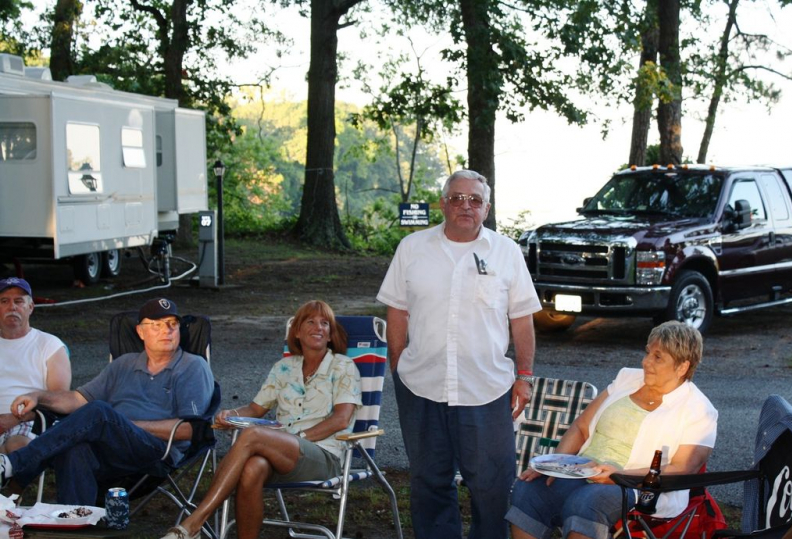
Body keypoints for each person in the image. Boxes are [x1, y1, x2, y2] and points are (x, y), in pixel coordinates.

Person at [377, 169, 542, 539]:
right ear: (443, 204)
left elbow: (522, 319)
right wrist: (398, 365)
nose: (465, 206)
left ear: (487, 208)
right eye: (457, 198)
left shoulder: (506, 252)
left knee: (491, 486)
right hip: (421, 386)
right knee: (429, 482)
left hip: (486, 389)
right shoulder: (412, 248)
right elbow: (397, 310)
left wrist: (525, 376)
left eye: (474, 200)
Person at [159, 300, 362, 539]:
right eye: (310, 321)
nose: (318, 327)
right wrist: (230, 415)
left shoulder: (343, 367)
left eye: (325, 323)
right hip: (282, 455)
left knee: (253, 435)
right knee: (252, 468)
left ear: (330, 335)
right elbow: (255, 409)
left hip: (323, 457)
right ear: (296, 332)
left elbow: (341, 419)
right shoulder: (283, 368)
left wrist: (296, 438)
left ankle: (194, 523)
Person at [506, 321, 718, 539]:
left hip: (638, 486)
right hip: (584, 471)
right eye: (647, 353)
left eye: (658, 357)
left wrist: (619, 476)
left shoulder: (698, 409)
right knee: (530, 490)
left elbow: (683, 468)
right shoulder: (628, 378)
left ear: (682, 366)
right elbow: (581, 427)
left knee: (589, 502)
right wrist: (556, 465)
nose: (646, 362)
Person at [0, 297, 214, 506]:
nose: (166, 331)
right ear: (141, 332)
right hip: (111, 448)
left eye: (172, 324)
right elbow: (77, 399)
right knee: (76, 449)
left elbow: (191, 430)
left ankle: (15, 465)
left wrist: (123, 426)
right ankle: (75, 522)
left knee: (100, 413)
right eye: (156, 325)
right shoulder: (124, 364)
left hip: (157, 450)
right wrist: (38, 396)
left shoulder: (192, 367)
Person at [0, 277, 71, 455]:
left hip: (29, 420)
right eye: (4, 301)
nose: (12, 307)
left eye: (18, 301)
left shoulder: (50, 345)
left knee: (17, 448)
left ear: (30, 307)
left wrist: (16, 418)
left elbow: (60, 398)